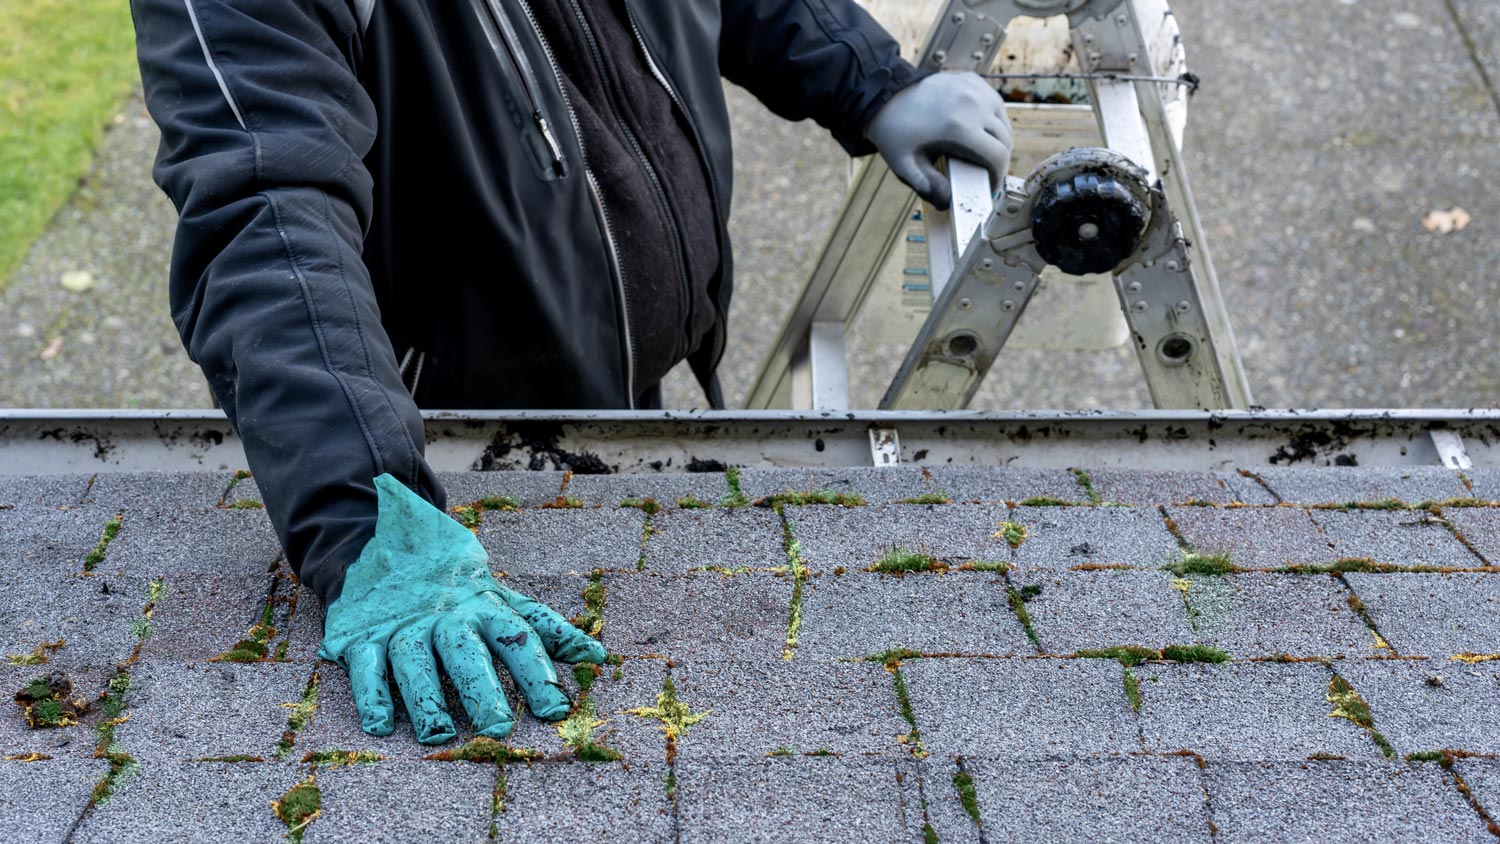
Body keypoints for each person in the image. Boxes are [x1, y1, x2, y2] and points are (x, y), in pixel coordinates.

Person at [131, 0, 1013, 744]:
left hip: (628, 378)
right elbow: (265, 208)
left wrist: (864, 77)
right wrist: (367, 510)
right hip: (441, 447)